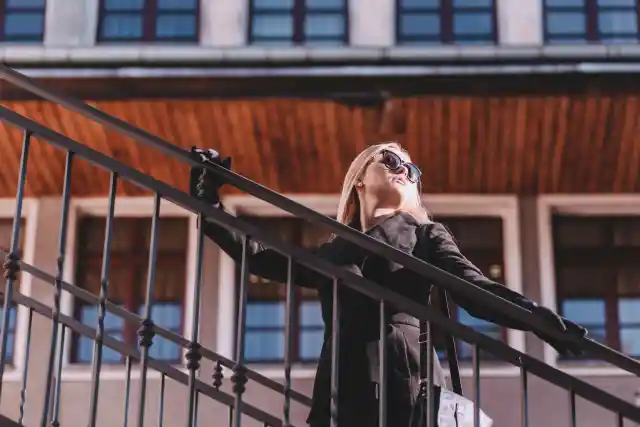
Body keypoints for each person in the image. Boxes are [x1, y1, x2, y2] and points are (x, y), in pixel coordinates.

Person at [189, 142, 587, 427]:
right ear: (359, 180)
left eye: (413, 170)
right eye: (392, 159)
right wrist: (208, 205)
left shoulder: (426, 235)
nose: (404, 170)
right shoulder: (334, 251)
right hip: (341, 387)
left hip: (404, 383)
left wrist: (536, 318)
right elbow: (261, 256)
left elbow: (473, 288)